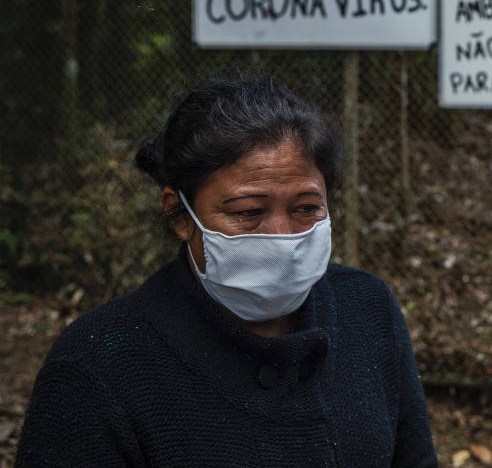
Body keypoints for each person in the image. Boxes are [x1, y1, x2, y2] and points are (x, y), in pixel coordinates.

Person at [16, 70, 437, 467]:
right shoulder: (96, 366)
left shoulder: (368, 309)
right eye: (248, 212)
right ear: (180, 215)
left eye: (306, 208)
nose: (281, 236)